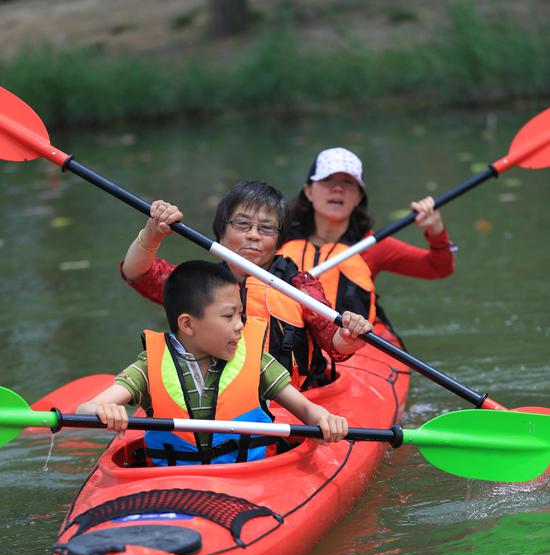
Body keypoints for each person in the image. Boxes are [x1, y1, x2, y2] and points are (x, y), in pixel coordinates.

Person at [78, 260, 349, 466]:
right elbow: (86, 409)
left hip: (252, 480)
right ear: (188, 324)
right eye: (228, 316)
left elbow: (305, 408)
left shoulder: (256, 361)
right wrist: (102, 412)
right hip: (170, 484)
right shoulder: (151, 366)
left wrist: (326, 420)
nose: (240, 325)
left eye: (240, 314)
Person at [120, 181, 374, 391]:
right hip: (215, 399)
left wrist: (350, 335)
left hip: (292, 404)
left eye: (266, 228)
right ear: (221, 233)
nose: (253, 234)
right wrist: (153, 232)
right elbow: (137, 273)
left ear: (278, 240)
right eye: (242, 224)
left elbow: (333, 339)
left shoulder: (298, 283)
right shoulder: (199, 282)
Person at [280, 146, 455, 338]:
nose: (337, 188)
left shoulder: (372, 245)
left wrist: (436, 231)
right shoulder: (278, 239)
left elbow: (439, 267)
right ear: (309, 192)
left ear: (359, 197)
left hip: (348, 342)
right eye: (327, 180)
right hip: (289, 334)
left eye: (348, 182)